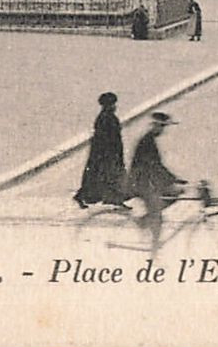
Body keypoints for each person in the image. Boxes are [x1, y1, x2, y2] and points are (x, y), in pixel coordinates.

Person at [128, 112, 183, 248]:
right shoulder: (147, 142)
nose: (163, 130)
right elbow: (154, 165)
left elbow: (156, 166)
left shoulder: (149, 140)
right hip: (142, 182)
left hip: (146, 180)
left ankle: (145, 220)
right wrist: (172, 179)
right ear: (155, 126)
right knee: (157, 214)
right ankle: (154, 249)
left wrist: (173, 179)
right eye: (161, 127)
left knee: (173, 196)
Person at [74, 92, 128, 209]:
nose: (115, 106)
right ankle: (115, 200)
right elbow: (107, 138)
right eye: (113, 104)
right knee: (106, 177)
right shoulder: (106, 118)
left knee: (99, 177)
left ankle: (115, 199)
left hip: (105, 153)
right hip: (106, 154)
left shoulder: (105, 117)